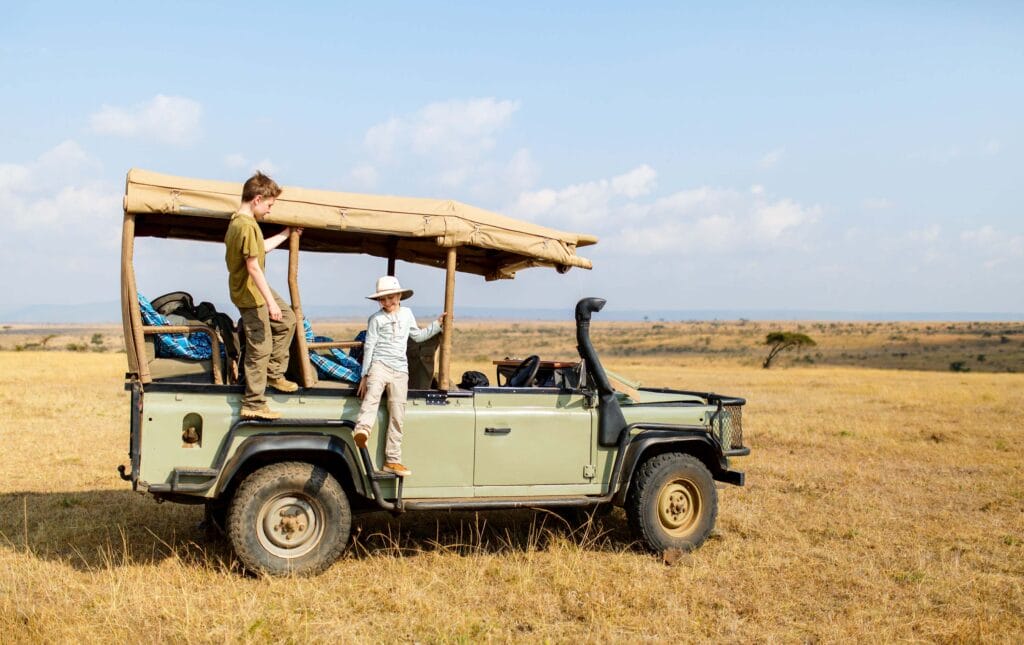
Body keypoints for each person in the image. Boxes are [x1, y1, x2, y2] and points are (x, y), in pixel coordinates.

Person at [225, 171, 301, 420]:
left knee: (288, 319)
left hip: (254, 289)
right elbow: (253, 266)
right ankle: (254, 403)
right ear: (257, 199)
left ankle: (273, 373)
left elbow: (261, 249)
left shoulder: (244, 224)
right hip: (251, 294)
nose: (269, 210)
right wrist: (270, 303)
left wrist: (285, 233)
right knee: (261, 346)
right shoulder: (245, 226)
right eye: (269, 205)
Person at [353, 275, 445, 477]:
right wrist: (365, 374)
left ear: (399, 295)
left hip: (400, 370)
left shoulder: (407, 314)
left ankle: (392, 460)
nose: (386, 302)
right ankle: (362, 430)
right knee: (372, 397)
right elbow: (370, 346)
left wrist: (437, 325)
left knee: (398, 413)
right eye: (382, 299)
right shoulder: (375, 319)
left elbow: (418, 336)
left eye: (390, 297)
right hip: (379, 365)